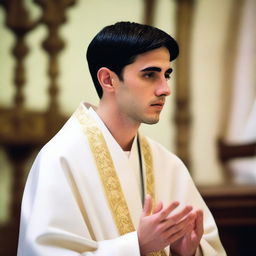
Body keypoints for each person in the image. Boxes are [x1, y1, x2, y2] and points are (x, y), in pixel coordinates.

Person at [17, 21, 226, 256]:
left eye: (167, 74)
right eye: (150, 74)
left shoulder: (168, 164)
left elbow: (209, 245)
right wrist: (137, 246)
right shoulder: (59, 159)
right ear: (108, 80)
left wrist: (185, 252)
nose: (165, 88)